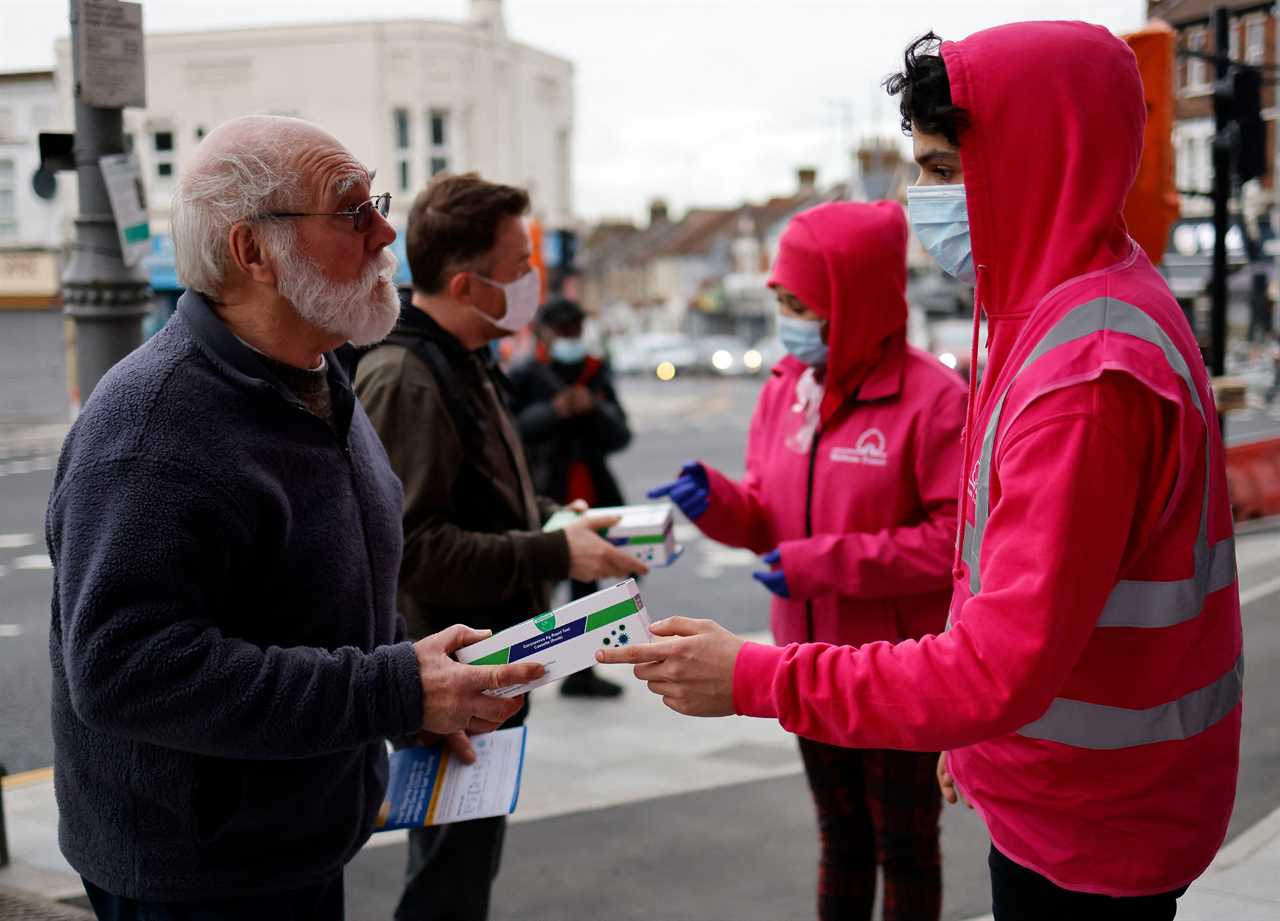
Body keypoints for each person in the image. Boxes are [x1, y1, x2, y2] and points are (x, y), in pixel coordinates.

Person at [600, 23, 1242, 921]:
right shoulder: (1063, 309)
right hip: (1066, 786)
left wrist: (752, 676)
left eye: (943, 169)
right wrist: (981, 737)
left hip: (1094, 824)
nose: (919, 198)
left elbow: (993, 661)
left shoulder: (1085, 374)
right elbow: (1013, 611)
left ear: (1035, 158)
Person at [46, 116, 543, 921]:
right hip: (198, 880)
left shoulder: (315, 380)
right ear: (253, 252)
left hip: (296, 842)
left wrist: (411, 694)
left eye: (375, 202)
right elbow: (126, 669)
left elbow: (313, 597)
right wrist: (391, 689)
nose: (385, 232)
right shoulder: (151, 430)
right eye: (351, 211)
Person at [646, 200, 964, 921]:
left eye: (800, 303)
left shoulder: (935, 401)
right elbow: (767, 516)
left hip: (896, 671)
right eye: (783, 301)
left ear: (852, 299)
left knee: (905, 848)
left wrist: (823, 563)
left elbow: (954, 542)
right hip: (804, 663)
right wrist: (718, 502)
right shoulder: (787, 388)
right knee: (841, 839)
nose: (789, 320)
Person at [353, 172, 646, 921]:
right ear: (465, 282)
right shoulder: (408, 378)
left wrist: (556, 519)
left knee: (464, 869)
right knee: (447, 883)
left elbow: (482, 497)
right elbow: (412, 547)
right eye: (519, 267)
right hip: (452, 678)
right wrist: (555, 554)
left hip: (489, 669)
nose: (532, 282)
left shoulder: (466, 359)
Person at [508, 296, 634, 698]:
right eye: (563, 332)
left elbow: (621, 435)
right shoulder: (526, 374)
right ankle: (519, 670)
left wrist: (593, 409)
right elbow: (512, 429)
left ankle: (582, 673)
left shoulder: (596, 372)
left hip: (590, 490)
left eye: (575, 331)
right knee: (537, 586)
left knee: (587, 587)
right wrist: (555, 411)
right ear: (545, 332)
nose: (570, 339)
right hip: (545, 491)